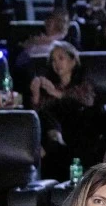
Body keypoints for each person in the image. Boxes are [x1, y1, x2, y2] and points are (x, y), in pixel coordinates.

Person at [30, 41, 96, 178]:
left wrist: (55, 92)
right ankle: (55, 143)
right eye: (53, 60)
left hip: (75, 133)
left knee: (71, 108)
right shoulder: (49, 85)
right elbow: (38, 115)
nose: (57, 64)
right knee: (46, 114)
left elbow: (87, 102)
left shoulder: (83, 83)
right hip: (52, 135)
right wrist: (36, 94)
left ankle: (54, 146)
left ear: (73, 61)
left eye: (61, 58)